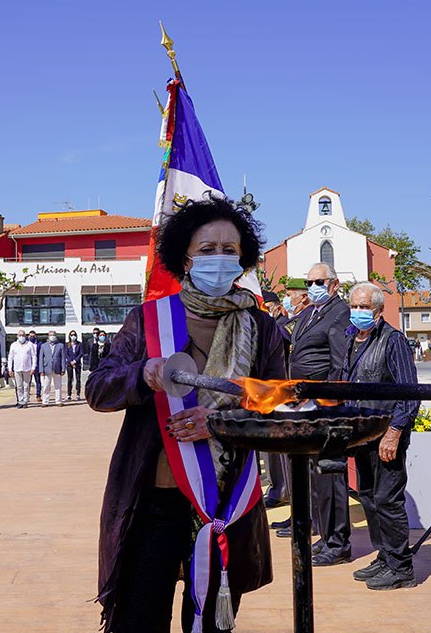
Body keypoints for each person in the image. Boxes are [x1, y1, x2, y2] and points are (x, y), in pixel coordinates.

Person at [87, 195, 280, 633]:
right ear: (185, 258)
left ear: (243, 259)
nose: (219, 258)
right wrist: (143, 373)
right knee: (139, 618)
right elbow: (98, 390)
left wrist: (220, 423)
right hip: (154, 501)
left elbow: (276, 406)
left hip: (225, 505)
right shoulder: (149, 319)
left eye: (229, 250)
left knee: (211, 621)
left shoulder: (261, 326)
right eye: (207, 249)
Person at [340, 283, 419, 590]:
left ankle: (401, 567)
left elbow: (409, 392)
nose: (358, 311)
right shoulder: (351, 338)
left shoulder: (392, 340)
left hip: (386, 433)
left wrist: (395, 432)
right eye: (354, 306)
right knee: (369, 498)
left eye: (364, 307)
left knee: (388, 499)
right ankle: (385, 556)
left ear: (378, 310)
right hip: (362, 434)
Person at [281, 262, 352, 564]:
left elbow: (339, 362)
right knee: (314, 474)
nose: (312, 287)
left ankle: (338, 542)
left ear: (334, 284)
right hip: (304, 404)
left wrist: (329, 399)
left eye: (319, 282)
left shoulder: (340, 313)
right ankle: (324, 534)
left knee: (330, 473)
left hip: (325, 406)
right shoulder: (310, 313)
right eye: (309, 282)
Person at [260, 290, 291, 508]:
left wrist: (266, 322)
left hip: (281, 392)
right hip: (267, 393)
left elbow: (285, 338)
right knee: (269, 449)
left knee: (279, 448)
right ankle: (276, 488)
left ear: (278, 307)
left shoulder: (284, 325)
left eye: (267, 308)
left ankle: (281, 490)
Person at [7, 332, 36, 408]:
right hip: (17, 368)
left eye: (23, 335)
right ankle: (20, 401)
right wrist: (10, 369)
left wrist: (33, 367)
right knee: (19, 386)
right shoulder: (13, 345)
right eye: (20, 335)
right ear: (17, 336)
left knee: (26, 386)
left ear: (25, 336)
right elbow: (10, 357)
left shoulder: (30, 345)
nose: (21, 337)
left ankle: (25, 401)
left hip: (27, 368)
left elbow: (34, 356)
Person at [37, 331, 66, 407]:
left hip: (57, 368)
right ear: (48, 336)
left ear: (56, 336)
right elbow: (41, 358)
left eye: (53, 335)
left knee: (58, 386)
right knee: (46, 386)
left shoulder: (60, 345)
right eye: (50, 335)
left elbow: (63, 358)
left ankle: (58, 401)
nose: (52, 336)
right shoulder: (43, 346)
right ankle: (45, 402)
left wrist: (63, 368)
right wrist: (41, 370)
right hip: (47, 368)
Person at [64, 330, 83, 401]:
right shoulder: (67, 344)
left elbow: (81, 353)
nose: (73, 336)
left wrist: (75, 361)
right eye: (71, 335)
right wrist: (71, 361)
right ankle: (69, 394)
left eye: (74, 335)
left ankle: (78, 394)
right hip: (69, 364)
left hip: (77, 363)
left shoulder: (79, 344)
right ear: (69, 336)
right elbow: (66, 354)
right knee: (70, 379)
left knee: (78, 379)